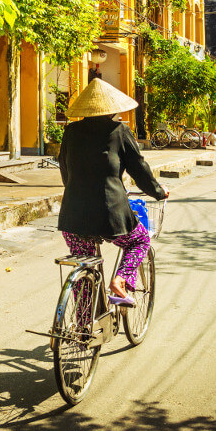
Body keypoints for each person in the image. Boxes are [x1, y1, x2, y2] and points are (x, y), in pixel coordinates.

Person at [58, 78, 168, 304]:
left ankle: (83, 330)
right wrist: (158, 191)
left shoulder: (71, 131)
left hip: (72, 214)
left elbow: (65, 172)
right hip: (110, 215)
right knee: (140, 240)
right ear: (112, 110)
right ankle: (121, 280)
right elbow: (139, 169)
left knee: (86, 270)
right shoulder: (119, 131)